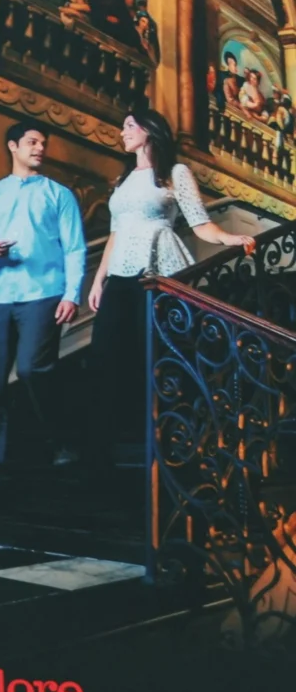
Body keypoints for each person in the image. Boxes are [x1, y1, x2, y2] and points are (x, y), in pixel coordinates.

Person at [88, 108, 254, 463]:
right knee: (105, 354)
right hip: (120, 274)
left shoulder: (175, 173)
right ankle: (109, 443)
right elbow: (115, 235)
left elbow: (200, 223)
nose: (123, 131)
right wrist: (99, 279)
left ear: (150, 131)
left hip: (159, 271)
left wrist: (230, 239)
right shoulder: (123, 180)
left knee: (153, 352)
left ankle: (163, 441)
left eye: (129, 125)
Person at [0, 117, 87, 506]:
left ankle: (62, 440)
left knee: (31, 368)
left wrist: (72, 294)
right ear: (13, 147)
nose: (39, 148)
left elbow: (75, 248)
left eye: (43, 143)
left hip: (44, 294)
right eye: (31, 141)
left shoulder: (59, 194)